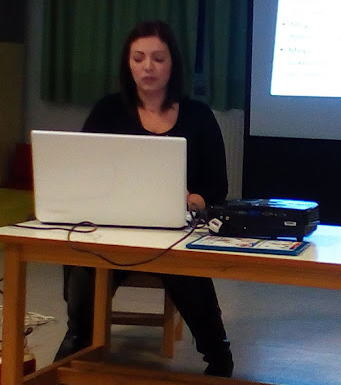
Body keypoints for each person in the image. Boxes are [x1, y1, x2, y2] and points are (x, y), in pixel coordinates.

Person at [54, 20, 234, 377]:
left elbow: (217, 187)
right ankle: (76, 344)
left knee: (184, 268)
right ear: (128, 63)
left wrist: (192, 200)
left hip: (173, 230)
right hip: (113, 229)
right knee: (85, 264)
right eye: (138, 58)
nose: (148, 67)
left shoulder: (198, 115)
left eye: (158, 58)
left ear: (173, 64)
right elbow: (82, 171)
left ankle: (218, 356)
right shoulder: (108, 110)